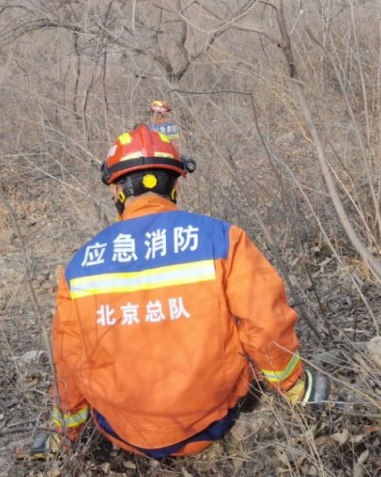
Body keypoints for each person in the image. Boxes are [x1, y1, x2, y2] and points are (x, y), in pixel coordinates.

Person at [30, 124, 328, 460]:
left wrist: (63, 436)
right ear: (174, 184)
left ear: (118, 191)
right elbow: (266, 324)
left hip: (122, 431)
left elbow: (69, 361)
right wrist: (296, 387)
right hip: (210, 423)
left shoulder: (81, 265)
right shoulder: (222, 239)